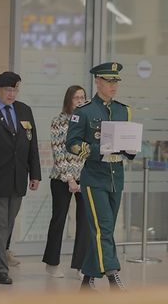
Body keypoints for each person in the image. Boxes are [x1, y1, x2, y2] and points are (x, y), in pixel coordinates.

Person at [66, 63, 137, 290]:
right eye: (108, 80)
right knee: (104, 228)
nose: (113, 85)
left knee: (102, 229)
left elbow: (126, 141)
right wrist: (97, 151)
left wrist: (131, 150)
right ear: (97, 81)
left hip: (116, 176)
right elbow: (72, 144)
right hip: (94, 177)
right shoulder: (84, 110)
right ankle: (112, 274)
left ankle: (87, 279)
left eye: (116, 81)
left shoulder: (123, 110)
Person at [0, 72, 41, 285]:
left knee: (8, 224)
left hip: (18, 177)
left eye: (15, 90)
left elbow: (32, 144)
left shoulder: (24, 110)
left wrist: (35, 173)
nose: (12, 94)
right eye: (8, 90)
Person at [42, 85, 90, 278]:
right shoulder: (59, 122)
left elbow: (90, 152)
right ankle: (51, 263)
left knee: (84, 221)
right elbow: (59, 153)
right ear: (69, 100)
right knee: (59, 220)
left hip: (84, 177)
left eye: (83, 97)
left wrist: (84, 177)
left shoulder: (88, 122)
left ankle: (80, 265)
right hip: (62, 178)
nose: (80, 101)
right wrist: (70, 179)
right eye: (76, 97)